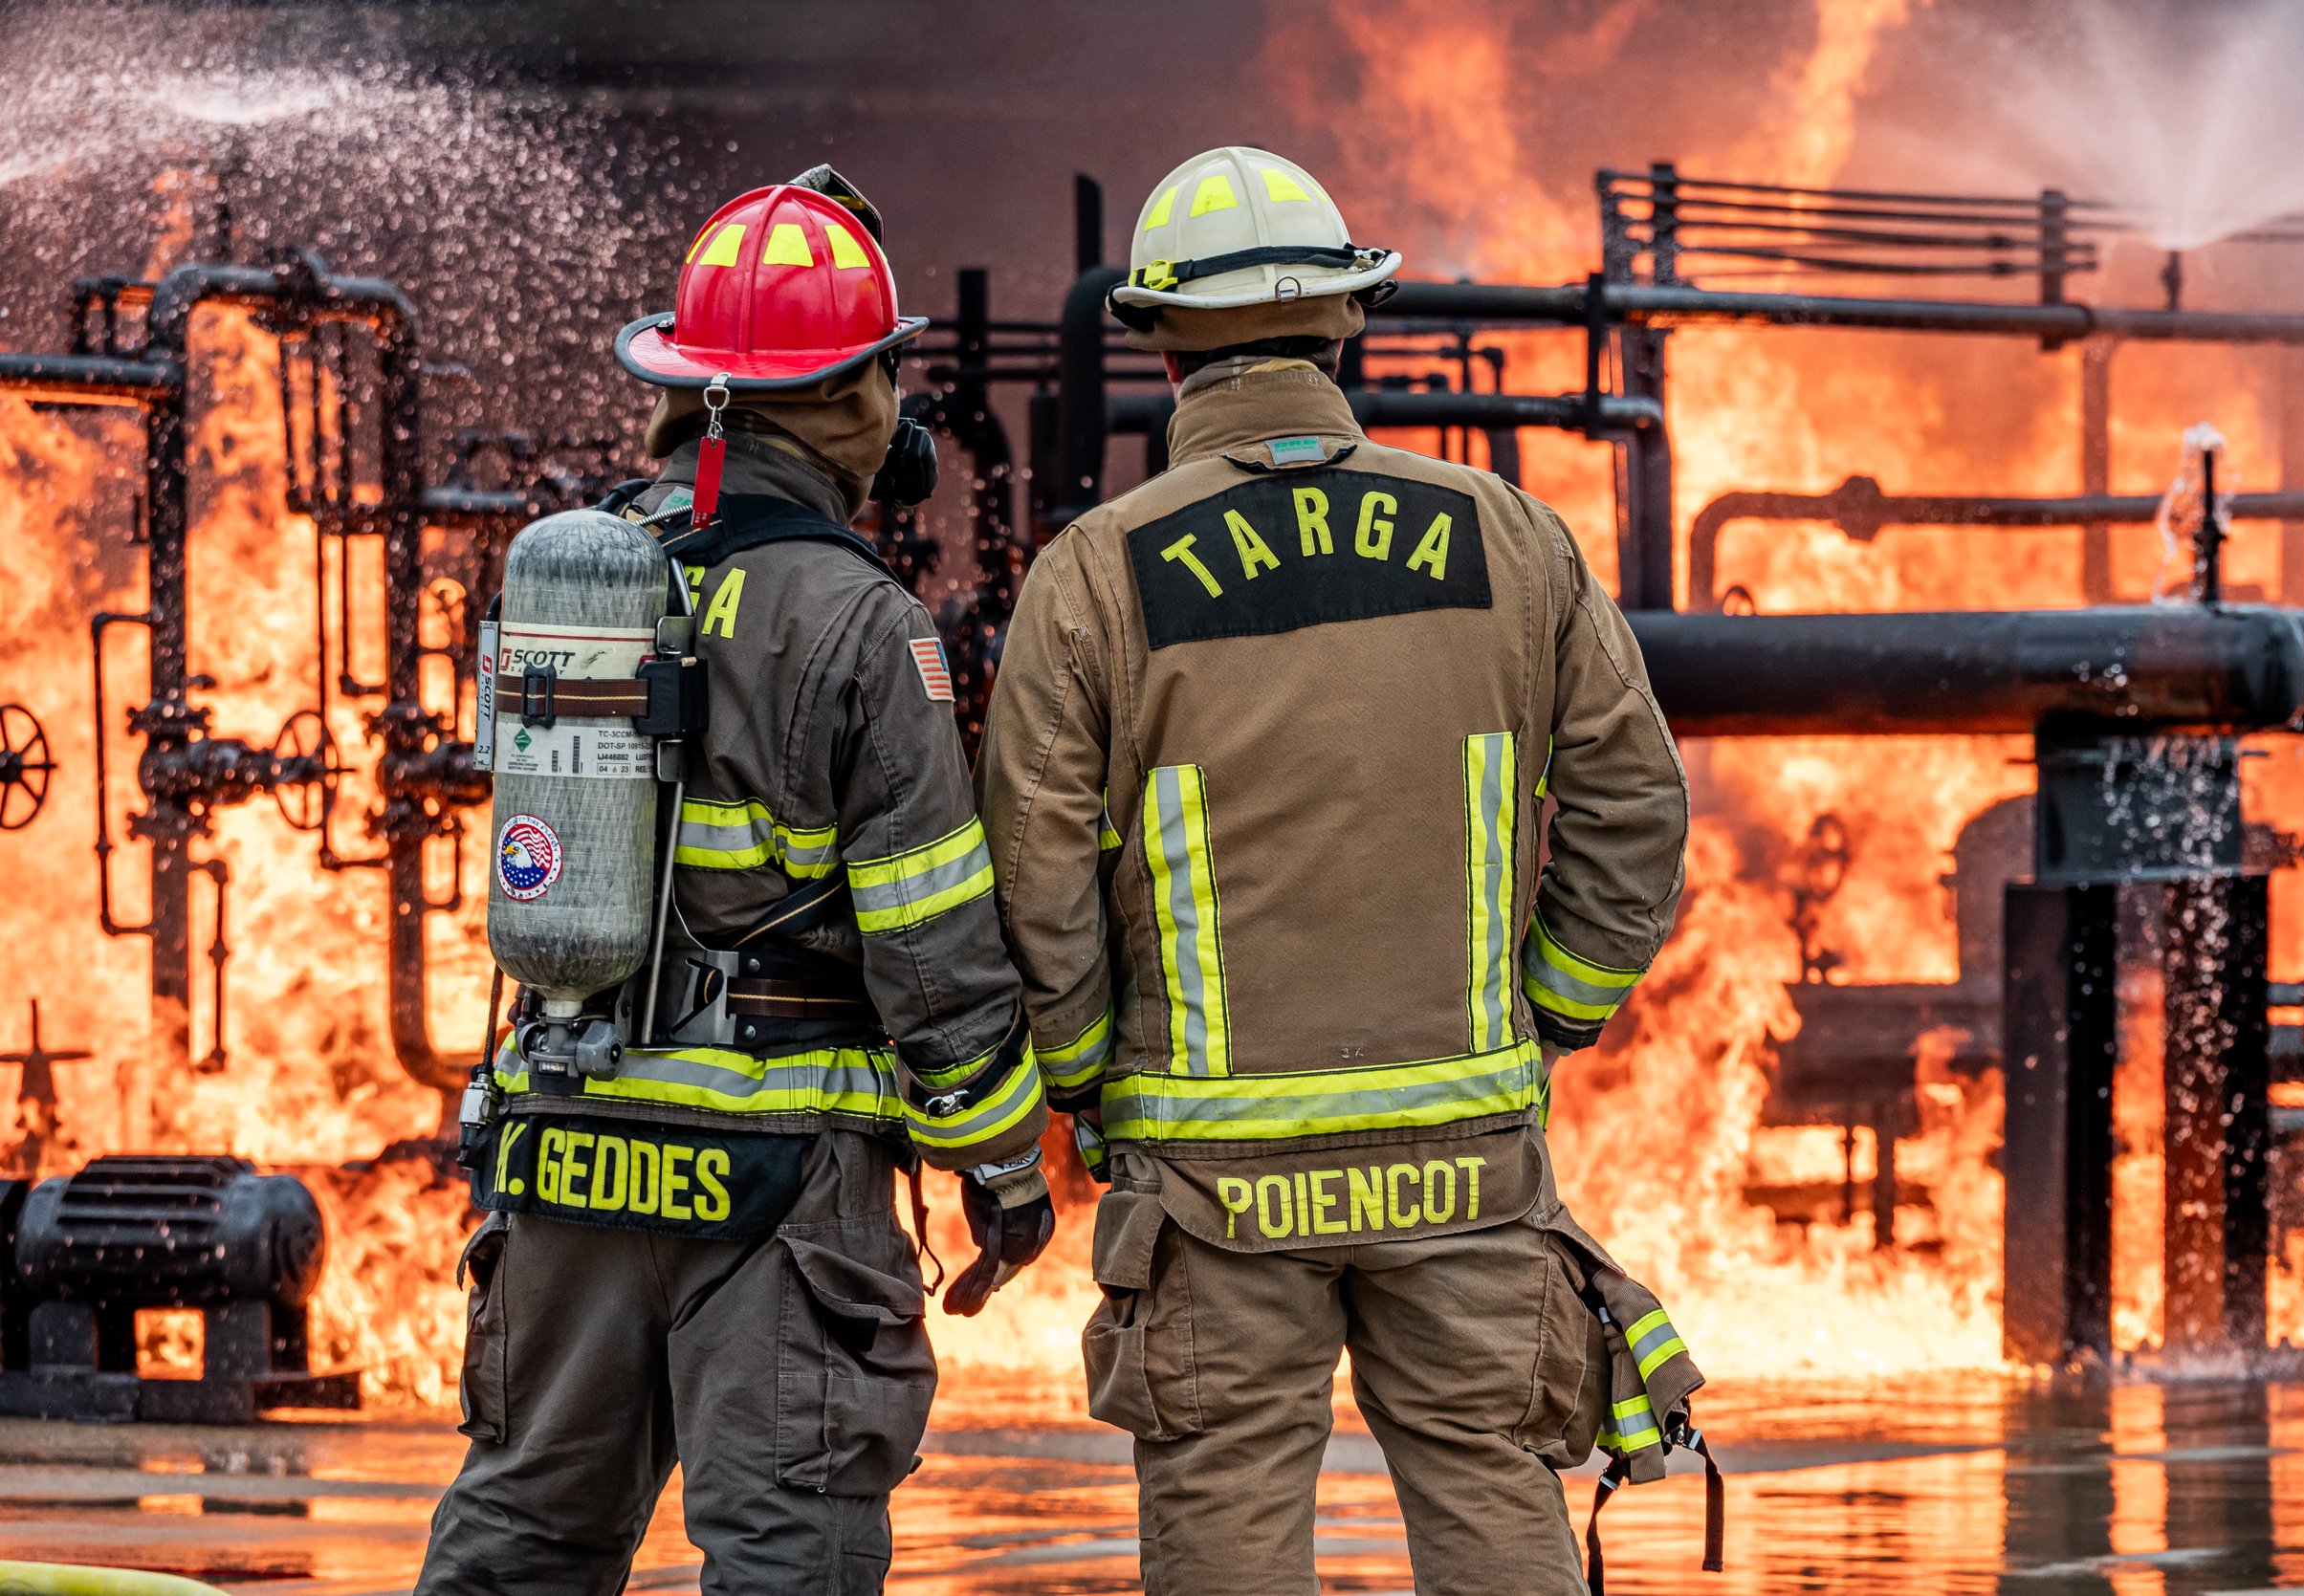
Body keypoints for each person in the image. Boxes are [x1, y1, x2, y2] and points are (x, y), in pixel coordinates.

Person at [976, 145, 1706, 1595]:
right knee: (1495, 1491)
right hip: (1463, 1162)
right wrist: (1552, 1009)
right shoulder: (1509, 536)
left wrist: (1083, 1078)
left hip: (1213, 1185)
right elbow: (1635, 802)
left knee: (1227, 1509)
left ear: (1162, 342)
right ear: (1349, 322)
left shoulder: (1097, 573)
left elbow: (1035, 870)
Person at [417, 167, 1052, 1596]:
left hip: (565, 1143)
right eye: (885, 374)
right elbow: (931, 947)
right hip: (776, 1176)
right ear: (844, 394)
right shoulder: (862, 623)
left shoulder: (582, 576)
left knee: (521, 1536)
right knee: (786, 1554)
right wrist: (1004, 1164)